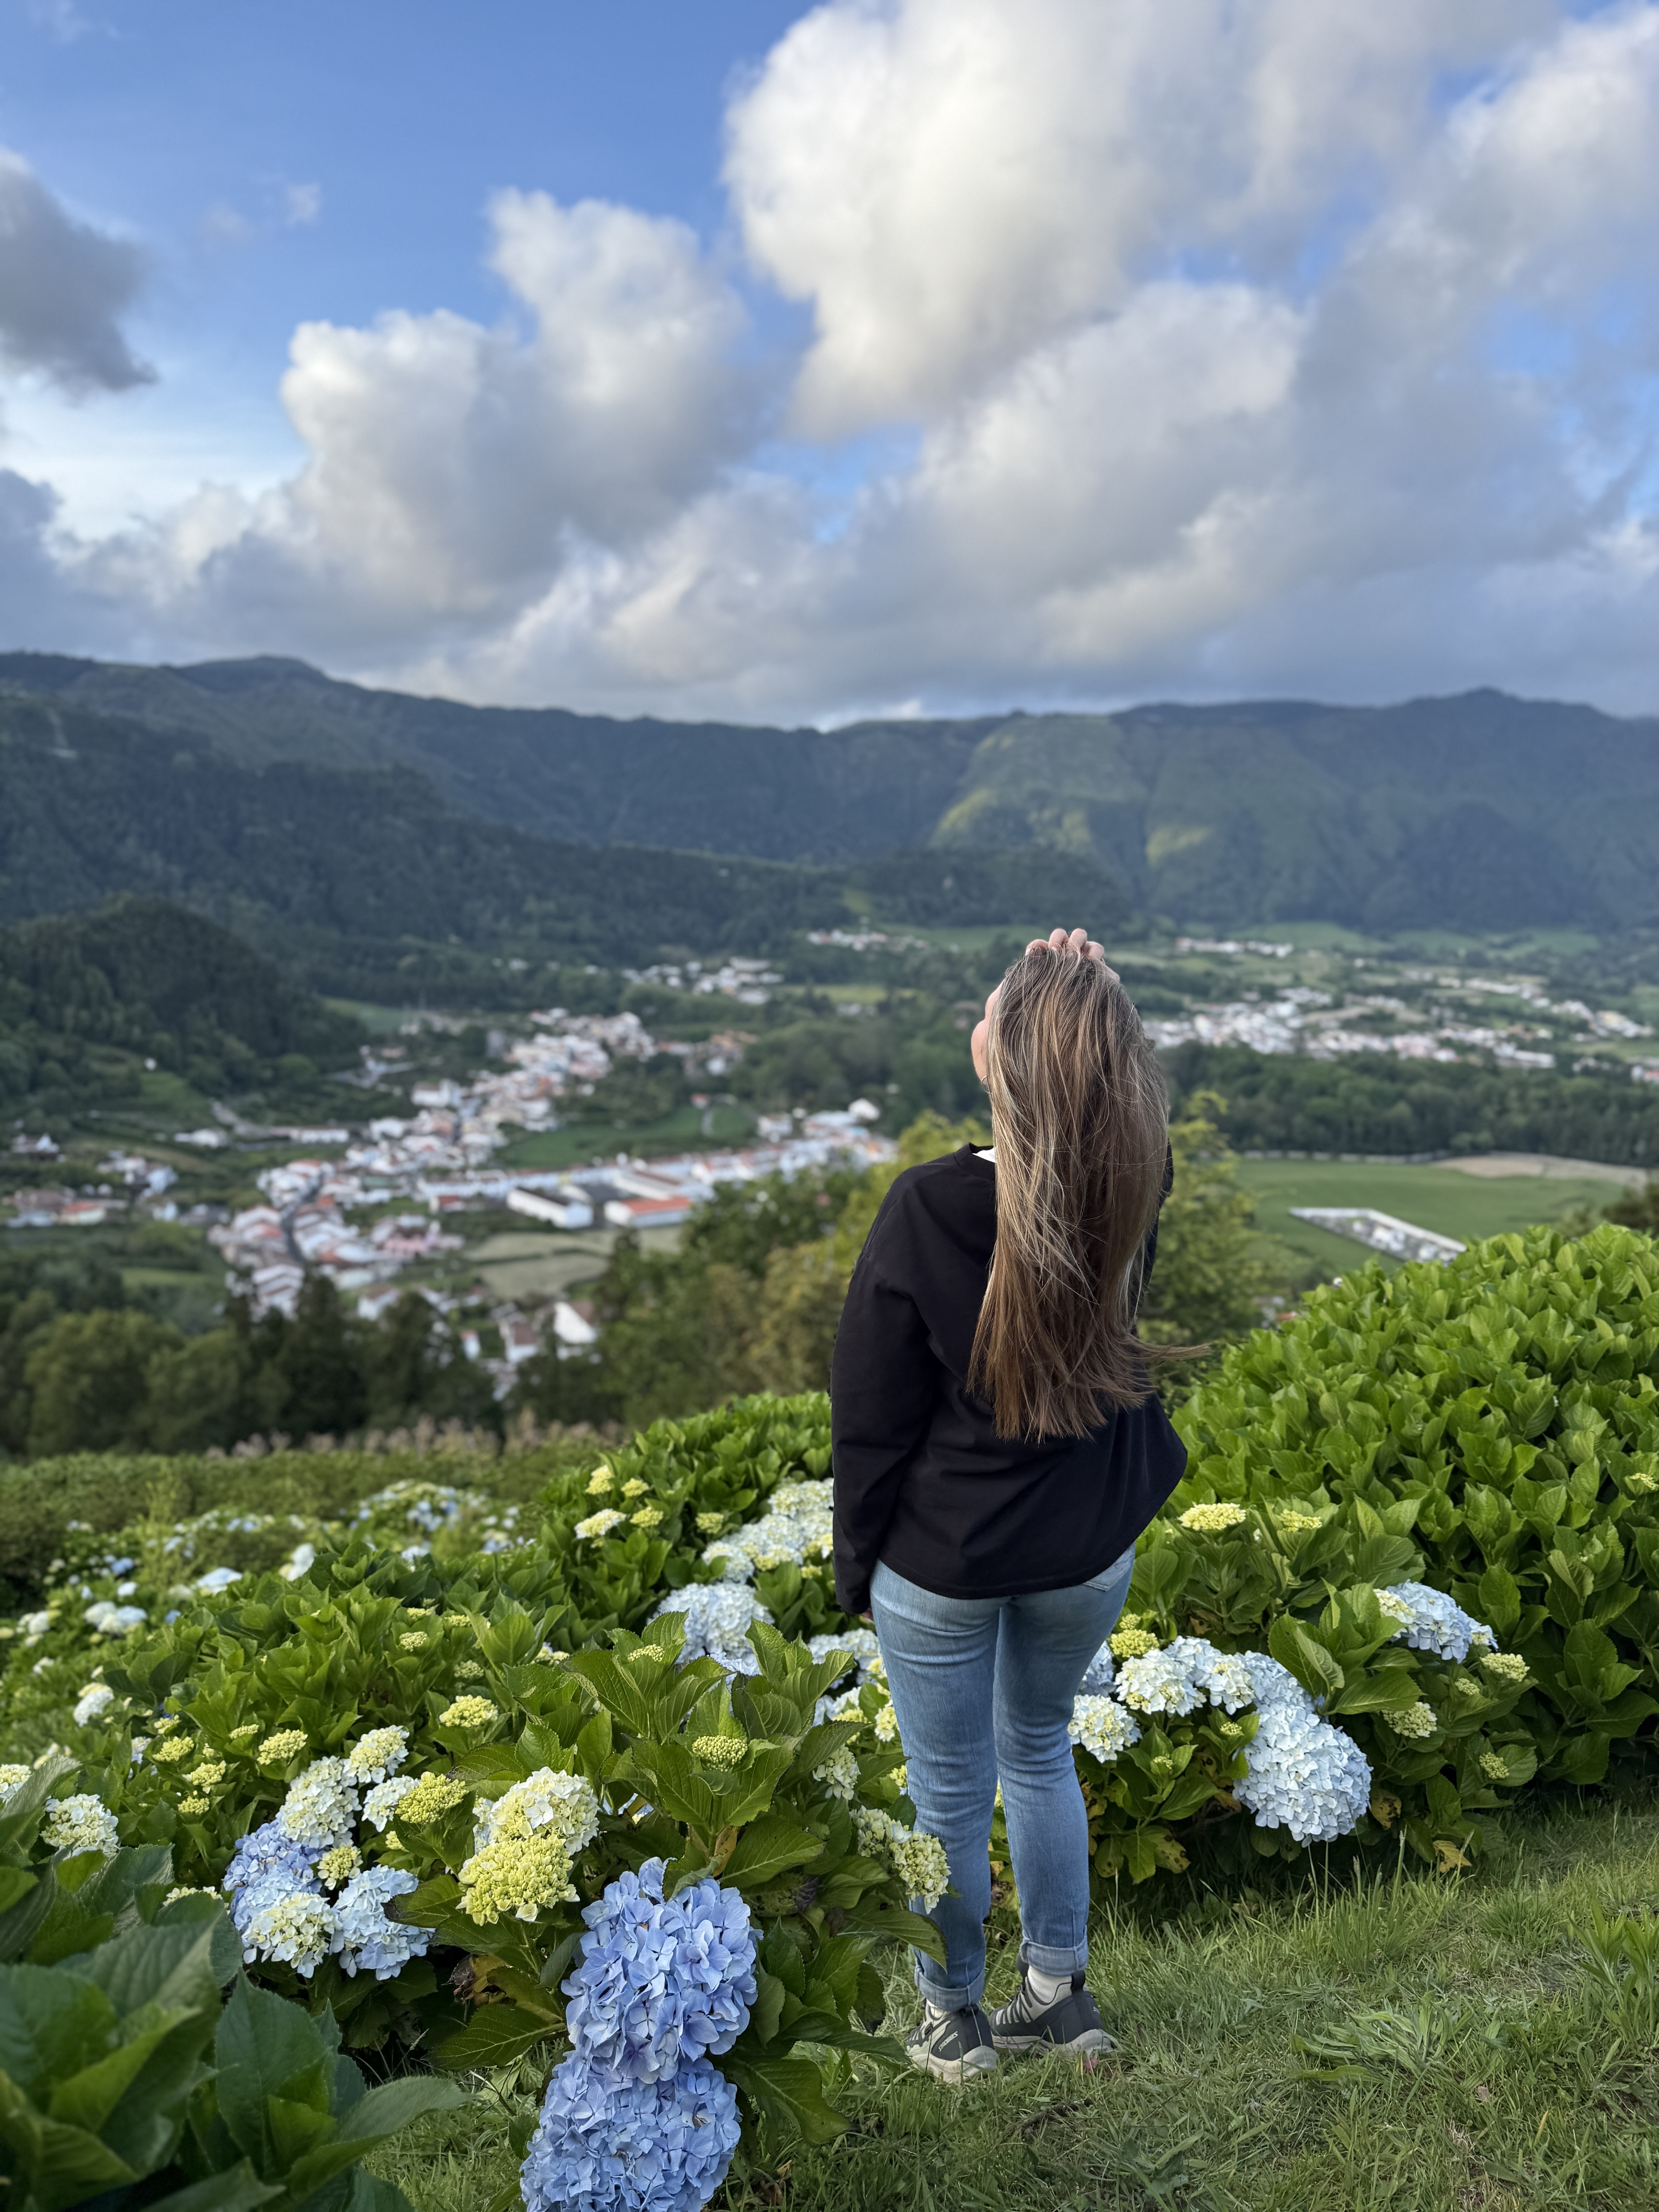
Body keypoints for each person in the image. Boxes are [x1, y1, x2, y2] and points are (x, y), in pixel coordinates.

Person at [830, 925, 1188, 2083]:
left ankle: (952, 2021)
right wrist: (1092, 994)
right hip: (1087, 1547)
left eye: (987, 1015)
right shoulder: (1136, 1184)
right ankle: (1060, 1997)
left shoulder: (928, 1208)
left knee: (947, 1793)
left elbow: (872, 1424)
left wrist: (855, 1569)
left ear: (998, 1060)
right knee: (1039, 1752)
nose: (973, 1025)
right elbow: (1106, 1087)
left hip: (946, 1559)